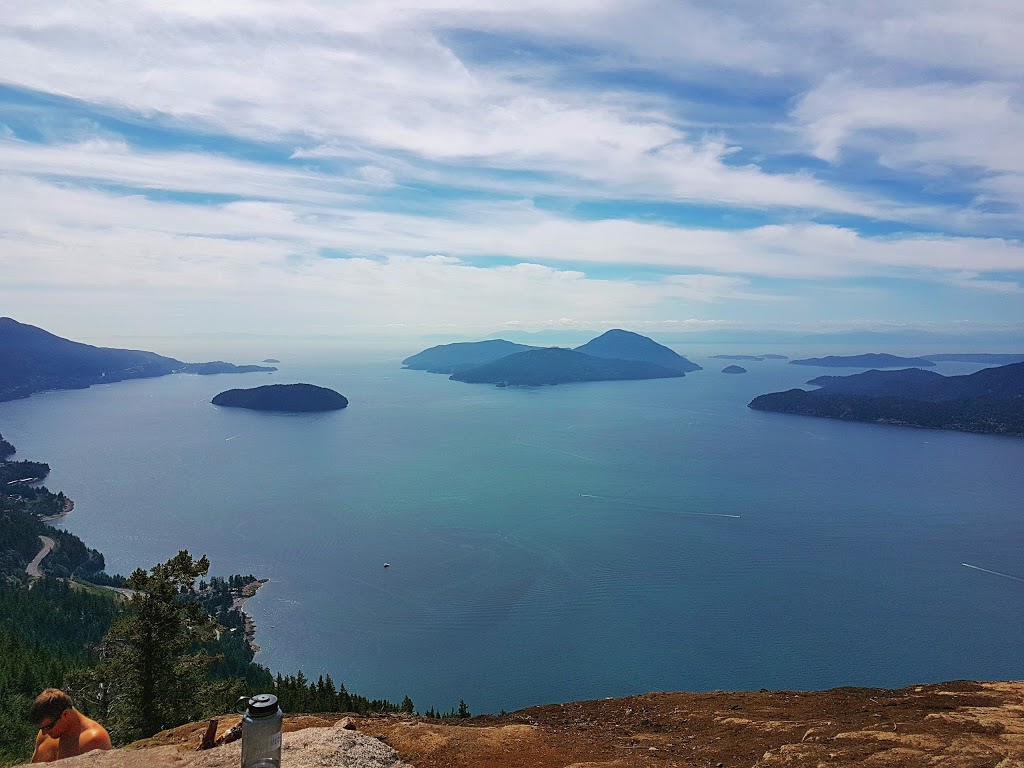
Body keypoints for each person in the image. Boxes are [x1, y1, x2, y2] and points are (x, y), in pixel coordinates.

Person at [28, 689, 112, 763]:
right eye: (42, 728)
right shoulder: (45, 735)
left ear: (65, 715)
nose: (43, 732)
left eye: (48, 727)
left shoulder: (94, 739)